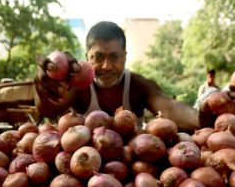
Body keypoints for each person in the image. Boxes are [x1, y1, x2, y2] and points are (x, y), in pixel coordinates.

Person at [34, 21, 199, 132]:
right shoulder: (78, 87)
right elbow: (48, 109)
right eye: (98, 57)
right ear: (87, 57)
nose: (106, 66)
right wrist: (45, 89)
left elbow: (170, 108)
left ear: (125, 56)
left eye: (114, 57)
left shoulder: (138, 86)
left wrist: (202, 118)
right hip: (87, 172)